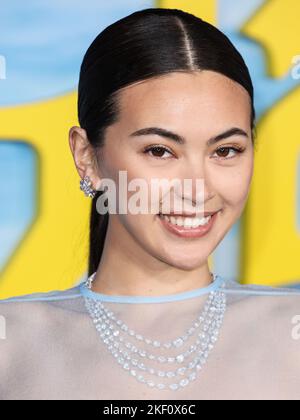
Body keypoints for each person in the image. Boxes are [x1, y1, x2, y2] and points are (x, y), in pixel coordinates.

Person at [0, 8, 299, 401]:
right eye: (160, 151)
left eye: (226, 150)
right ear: (87, 156)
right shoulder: (11, 342)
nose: (197, 189)